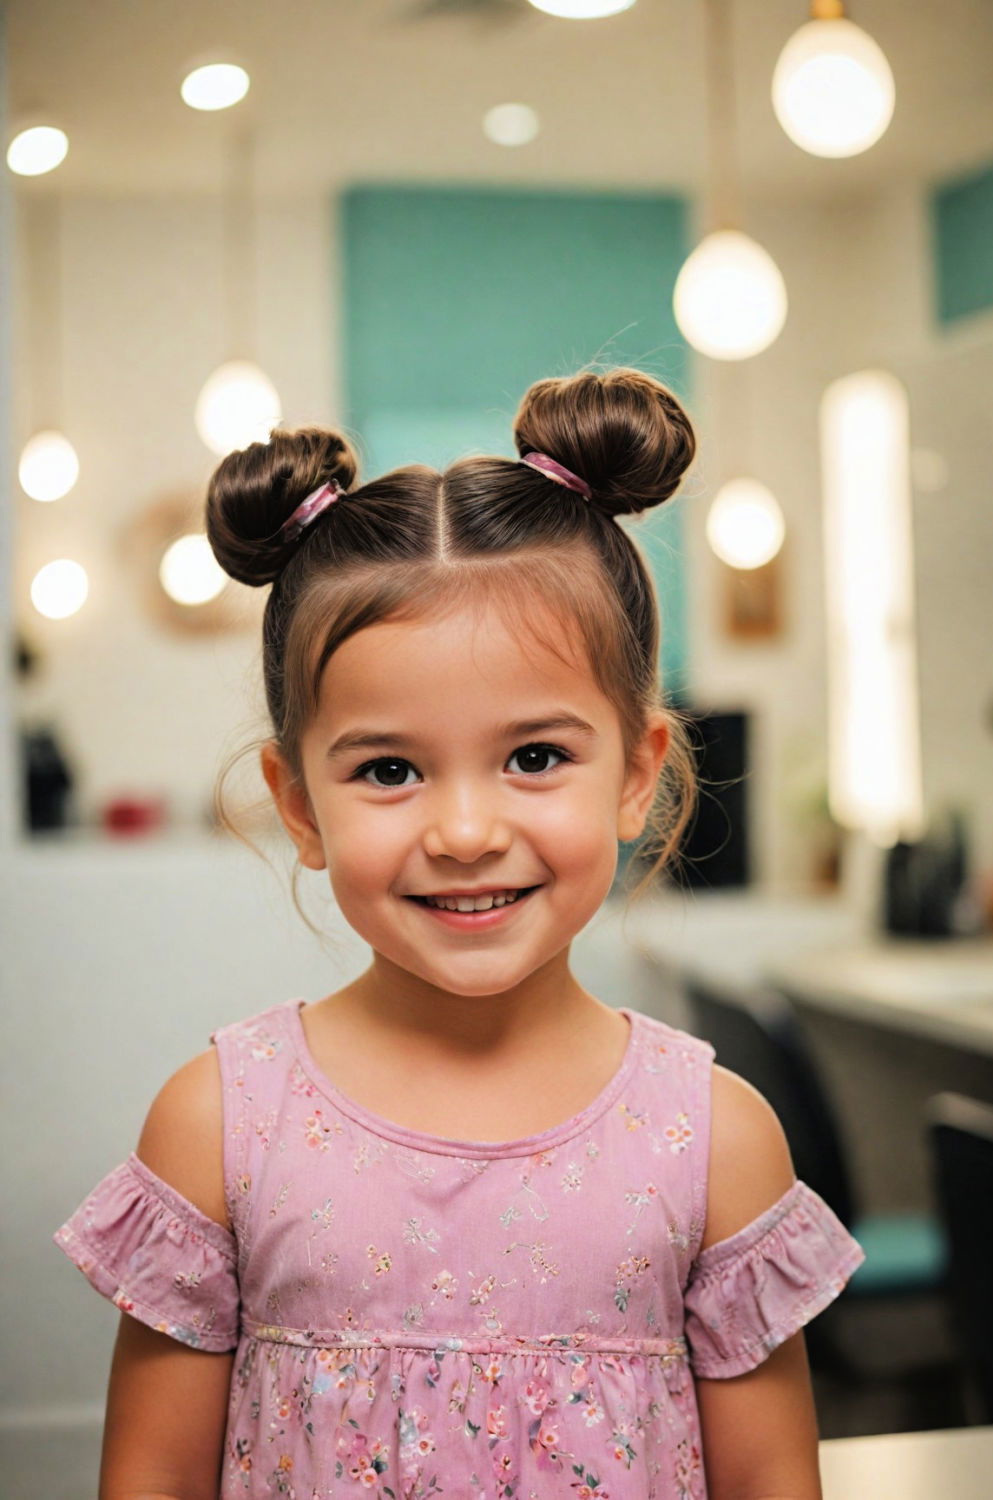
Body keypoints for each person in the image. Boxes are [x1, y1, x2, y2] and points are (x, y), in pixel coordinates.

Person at [55, 368, 863, 1500]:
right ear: (300, 807)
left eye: (535, 756)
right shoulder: (217, 1130)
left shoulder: (716, 1143)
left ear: (635, 775)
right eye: (389, 769)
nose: (468, 831)